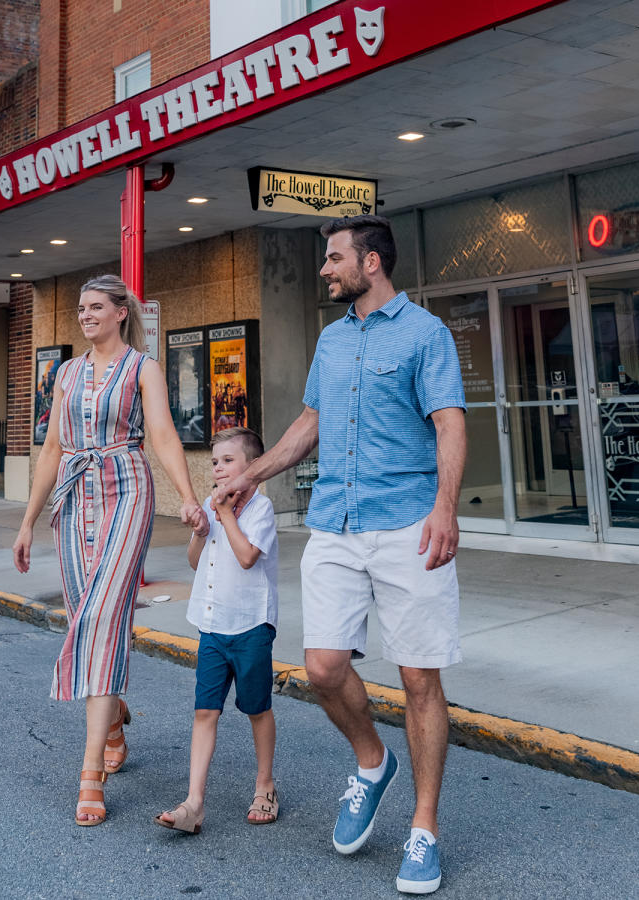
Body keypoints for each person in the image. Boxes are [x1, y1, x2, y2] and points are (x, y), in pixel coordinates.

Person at [219, 215, 465, 894]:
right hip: (336, 521)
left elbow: (449, 422)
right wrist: (252, 473)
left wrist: (445, 509)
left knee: (420, 680)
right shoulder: (331, 340)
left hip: (408, 523)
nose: (324, 270)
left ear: (372, 263)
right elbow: (310, 424)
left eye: (333, 259)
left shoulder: (425, 334)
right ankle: (371, 761)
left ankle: (423, 828)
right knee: (323, 669)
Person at [13, 274, 204, 828]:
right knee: (87, 616)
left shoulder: (142, 368)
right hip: (73, 500)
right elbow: (51, 449)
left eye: (96, 307)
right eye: (80, 308)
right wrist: (27, 523)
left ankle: (90, 770)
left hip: (127, 490)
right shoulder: (66, 373)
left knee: (99, 614)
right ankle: (114, 718)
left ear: (122, 313)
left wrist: (189, 499)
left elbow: (164, 435)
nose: (85, 316)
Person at [153, 426, 280, 834]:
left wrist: (223, 513)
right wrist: (199, 530)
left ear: (253, 467)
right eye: (215, 462)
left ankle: (265, 785)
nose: (219, 469)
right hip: (211, 625)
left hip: (250, 627)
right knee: (205, 710)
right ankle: (194, 802)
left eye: (228, 460)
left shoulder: (260, 509)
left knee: (256, 709)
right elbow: (196, 561)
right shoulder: (211, 508)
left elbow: (246, 558)